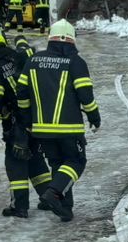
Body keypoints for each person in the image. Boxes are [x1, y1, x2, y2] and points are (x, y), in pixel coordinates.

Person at [22, 20, 101, 222]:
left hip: (41, 129)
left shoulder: (33, 60)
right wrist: (94, 116)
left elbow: (21, 93)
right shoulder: (75, 62)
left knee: (58, 164)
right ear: (72, 40)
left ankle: (65, 208)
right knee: (76, 161)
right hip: (69, 127)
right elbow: (85, 94)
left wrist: (27, 119)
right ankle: (54, 193)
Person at [0, 26, 36, 217]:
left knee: (15, 162)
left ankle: (19, 207)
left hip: (14, 121)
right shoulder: (15, 56)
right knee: (36, 160)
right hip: (34, 118)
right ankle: (50, 197)